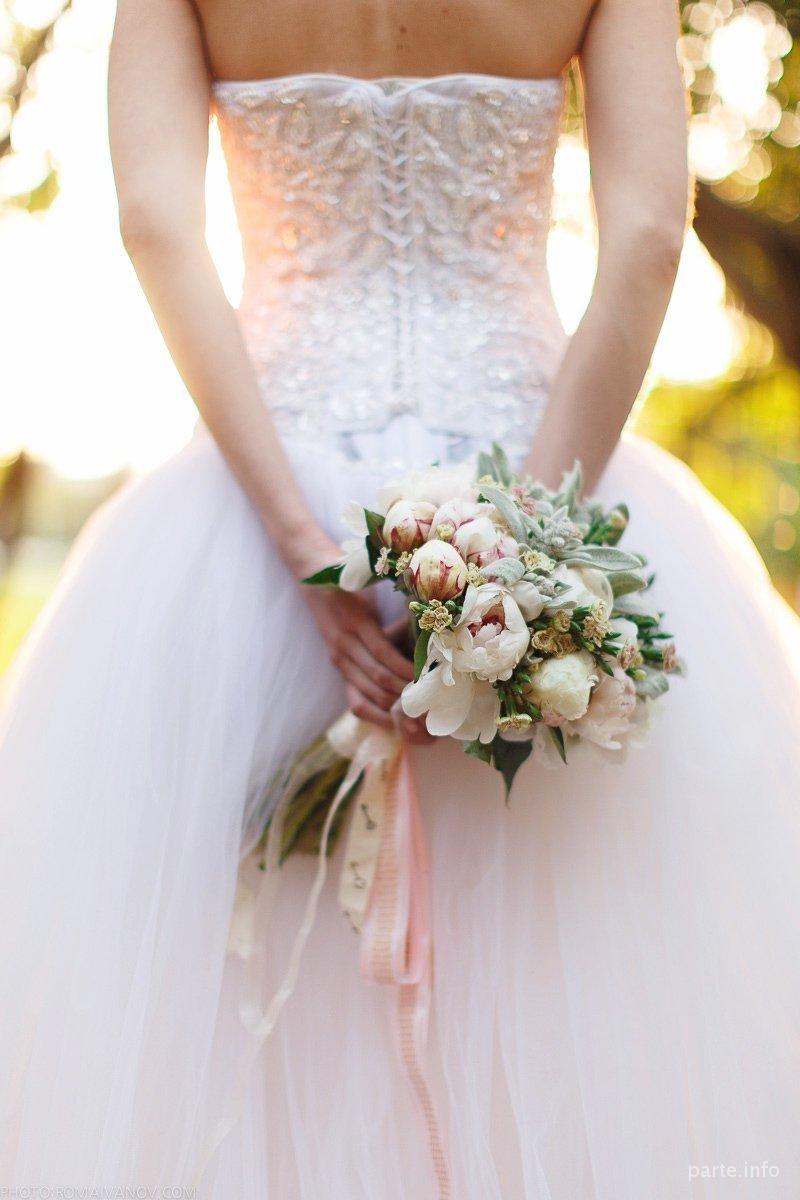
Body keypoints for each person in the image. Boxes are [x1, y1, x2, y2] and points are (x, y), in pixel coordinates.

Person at [1, 1, 799, 1196]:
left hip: (253, 521)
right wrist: (507, 569)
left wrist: (298, 542)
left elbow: (157, 222)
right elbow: (643, 239)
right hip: (534, 470)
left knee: (243, 993)